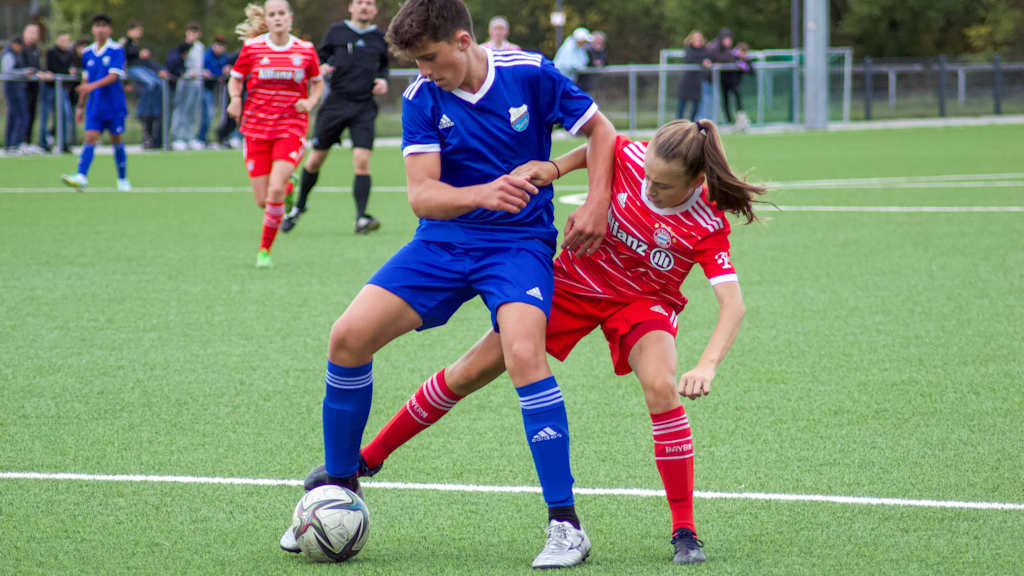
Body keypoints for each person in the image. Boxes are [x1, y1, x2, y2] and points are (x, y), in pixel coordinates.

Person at [306, 119, 763, 565]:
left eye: (662, 186)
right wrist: (557, 167)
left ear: (697, 180)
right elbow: (598, 149)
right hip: (572, 284)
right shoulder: (635, 155)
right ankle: (367, 460)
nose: (648, 188)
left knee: (662, 388)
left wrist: (706, 365)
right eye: (647, 177)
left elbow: (733, 304)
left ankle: (685, 530)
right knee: (470, 370)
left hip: (642, 303)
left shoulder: (707, 221)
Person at [277, 0, 616, 568]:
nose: (425, 72)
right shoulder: (420, 97)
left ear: (463, 41)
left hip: (517, 246)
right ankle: (338, 491)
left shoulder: (530, 72)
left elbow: (601, 132)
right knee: (347, 338)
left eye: (431, 59)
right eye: (415, 63)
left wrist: (599, 203)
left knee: (526, 353)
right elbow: (422, 194)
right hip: (441, 243)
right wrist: (482, 193)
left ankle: (565, 524)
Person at [227, 0, 324, 268]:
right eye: (273, 14)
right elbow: (235, 78)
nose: (278, 18)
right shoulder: (252, 49)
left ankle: (264, 251)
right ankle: (290, 188)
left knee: (275, 189)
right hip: (256, 129)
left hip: (290, 126)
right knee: (263, 200)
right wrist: (235, 98)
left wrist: (310, 102)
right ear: (266, 19)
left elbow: (317, 83)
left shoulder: (304, 50)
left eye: (282, 13)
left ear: (290, 18)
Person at [282, 0, 389, 235]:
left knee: (362, 161)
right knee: (314, 161)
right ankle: (299, 206)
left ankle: (361, 217)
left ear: (375, 10)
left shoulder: (380, 38)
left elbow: (384, 66)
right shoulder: (336, 32)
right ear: (351, 7)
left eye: (369, 3)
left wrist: (383, 80)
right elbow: (318, 60)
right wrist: (321, 67)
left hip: (364, 107)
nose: (364, 7)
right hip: (336, 105)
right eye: (360, 2)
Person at [60, 14, 130, 192]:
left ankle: (122, 178)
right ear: (92, 29)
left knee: (117, 140)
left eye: (104, 26)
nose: (100, 29)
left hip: (114, 105)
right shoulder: (87, 53)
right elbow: (85, 81)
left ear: (110, 29)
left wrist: (91, 86)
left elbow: (114, 76)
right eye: (97, 26)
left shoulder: (116, 50)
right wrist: (81, 106)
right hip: (95, 105)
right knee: (90, 138)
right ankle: (82, 176)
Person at [121, 21, 163, 149]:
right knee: (150, 84)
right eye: (137, 31)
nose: (139, 34)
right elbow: (124, 57)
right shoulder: (125, 43)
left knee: (159, 84)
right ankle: (143, 110)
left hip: (141, 68)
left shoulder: (136, 44)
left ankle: (154, 108)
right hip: (132, 69)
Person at [38, 32, 77, 153]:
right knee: (45, 114)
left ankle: (63, 142)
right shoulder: (51, 52)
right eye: (63, 40)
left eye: (67, 40)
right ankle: (43, 143)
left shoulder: (69, 53)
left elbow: (69, 69)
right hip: (49, 87)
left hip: (61, 87)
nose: (65, 43)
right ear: (58, 40)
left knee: (66, 113)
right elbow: (52, 69)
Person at [170, 22, 205, 150]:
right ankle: (177, 137)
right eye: (190, 32)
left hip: (197, 83)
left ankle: (190, 137)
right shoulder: (183, 47)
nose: (192, 35)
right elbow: (177, 62)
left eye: (195, 33)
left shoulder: (200, 47)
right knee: (181, 110)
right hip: (185, 82)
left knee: (193, 111)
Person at [2, 37, 33, 154]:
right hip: (13, 89)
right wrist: (24, 73)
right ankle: (14, 144)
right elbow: (7, 71)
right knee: (20, 116)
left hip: (17, 88)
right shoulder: (8, 54)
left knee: (16, 116)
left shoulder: (16, 54)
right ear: (15, 44)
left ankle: (12, 144)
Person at [198, 36, 229, 146]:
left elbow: (224, 68)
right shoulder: (207, 55)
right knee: (208, 113)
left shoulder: (223, 56)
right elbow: (208, 71)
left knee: (219, 114)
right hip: (206, 88)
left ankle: (217, 138)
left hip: (218, 89)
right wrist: (219, 73)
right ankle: (201, 138)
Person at [676, 31, 711, 122]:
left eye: (699, 38)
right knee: (682, 103)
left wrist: (706, 62)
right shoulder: (688, 48)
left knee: (696, 105)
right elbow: (690, 58)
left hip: (698, 81)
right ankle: (678, 124)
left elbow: (707, 59)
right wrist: (702, 62)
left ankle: (691, 124)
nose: (697, 40)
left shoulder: (705, 50)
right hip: (687, 80)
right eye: (695, 38)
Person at [21, 23, 42, 152]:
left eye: (36, 32)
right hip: (22, 87)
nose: (34, 35)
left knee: (32, 113)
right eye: (32, 32)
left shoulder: (35, 49)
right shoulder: (21, 48)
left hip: (34, 87)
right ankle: (20, 141)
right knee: (22, 114)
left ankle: (28, 141)